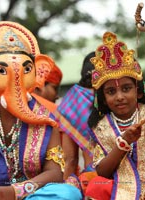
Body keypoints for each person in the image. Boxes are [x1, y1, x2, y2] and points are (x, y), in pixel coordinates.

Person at [0, 21, 81, 200]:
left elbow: (55, 173)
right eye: (1, 70)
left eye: (26, 69)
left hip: (29, 194)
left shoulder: (44, 119)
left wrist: (14, 192)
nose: (16, 78)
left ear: (38, 72)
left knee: (68, 193)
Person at [84, 31, 145, 200]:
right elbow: (102, 172)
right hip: (118, 186)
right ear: (104, 100)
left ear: (138, 92)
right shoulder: (101, 126)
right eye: (111, 91)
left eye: (126, 88)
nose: (120, 96)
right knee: (96, 188)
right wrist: (124, 143)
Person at [54, 52, 96, 193]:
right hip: (125, 175)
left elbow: (70, 159)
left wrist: (64, 190)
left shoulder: (71, 102)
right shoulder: (116, 98)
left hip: (92, 179)